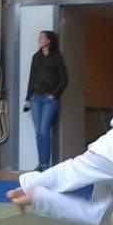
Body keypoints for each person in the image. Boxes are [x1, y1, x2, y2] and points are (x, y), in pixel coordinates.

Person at [24, 30, 67, 171]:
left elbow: (64, 79)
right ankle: (41, 163)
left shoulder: (56, 57)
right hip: (35, 98)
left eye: (42, 37)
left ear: (49, 40)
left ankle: (45, 164)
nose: (39, 39)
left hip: (49, 99)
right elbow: (31, 79)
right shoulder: (36, 57)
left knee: (44, 130)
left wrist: (54, 94)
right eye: (39, 37)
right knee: (38, 132)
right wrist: (27, 98)